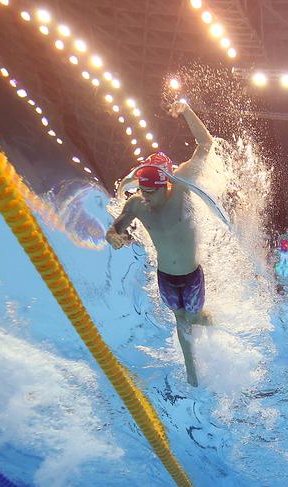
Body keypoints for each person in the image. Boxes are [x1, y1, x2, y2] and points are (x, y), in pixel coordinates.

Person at [106, 100, 214, 385]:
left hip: (191, 276)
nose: (145, 198)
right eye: (141, 191)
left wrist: (186, 109)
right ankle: (194, 374)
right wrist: (115, 237)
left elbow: (206, 144)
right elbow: (114, 229)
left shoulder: (180, 190)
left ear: (165, 185)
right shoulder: (138, 205)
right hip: (165, 278)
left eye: (150, 193)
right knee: (180, 319)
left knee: (191, 318)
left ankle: (207, 334)